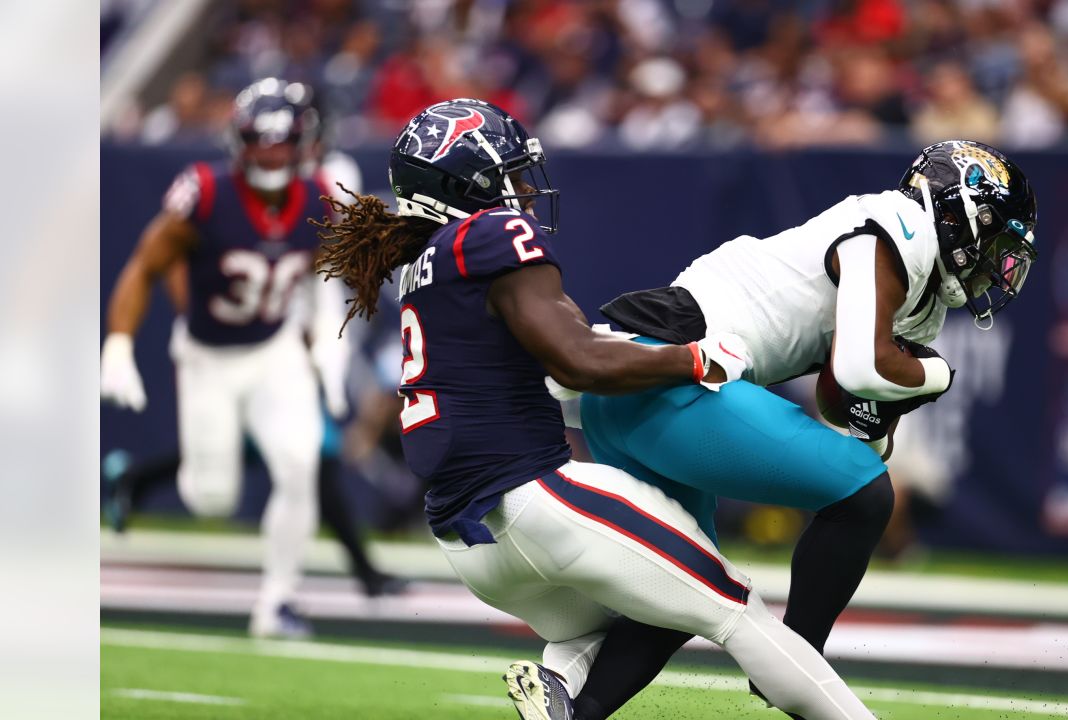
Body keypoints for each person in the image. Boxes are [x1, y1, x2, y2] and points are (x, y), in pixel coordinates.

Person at [314, 98, 879, 720]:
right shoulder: (491, 235)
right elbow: (577, 362)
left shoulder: (423, 267)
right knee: (735, 606)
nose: (526, 190)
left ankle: (560, 700)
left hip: (469, 544)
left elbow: (543, 369)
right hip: (538, 502)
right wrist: (693, 360)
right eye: (511, 175)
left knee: (657, 604)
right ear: (463, 185)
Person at [559, 140, 1039, 718]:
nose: (997, 261)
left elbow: (839, 397)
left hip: (628, 395)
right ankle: (795, 662)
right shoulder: (897, 225)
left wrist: (877, 423)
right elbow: (861, 367)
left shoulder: (919, 289)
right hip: (675, 373)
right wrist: (932, 376)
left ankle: (571, 711)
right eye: (994, 238)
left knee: (681, 589)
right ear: (959, 210)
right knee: (864, 495)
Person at [100, 78, 347, 637]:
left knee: (300, 464)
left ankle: (276, 603)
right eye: (260, 140)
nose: (272, 153)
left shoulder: (319, 198)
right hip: (209, 356)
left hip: (273, 347)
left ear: (304, 142)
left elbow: (322, 280)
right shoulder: (206, 190)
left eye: (283, 141)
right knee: (214, 500)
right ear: (239, 141)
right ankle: (136, 475)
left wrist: (327, 344)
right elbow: (145, 264)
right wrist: (118, 344)